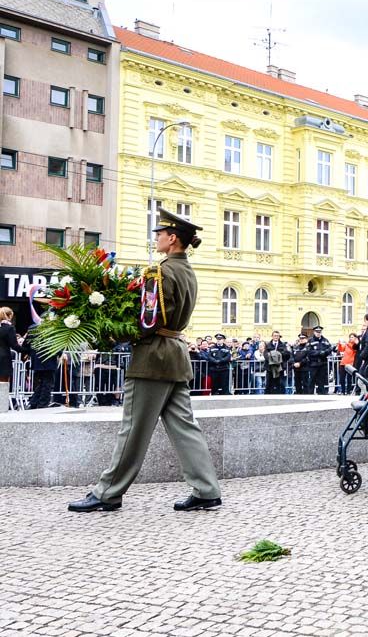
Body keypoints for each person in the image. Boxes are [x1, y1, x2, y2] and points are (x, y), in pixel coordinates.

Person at [68, 208, 222, 512]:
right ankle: (206, 490)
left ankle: (107, 492)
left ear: (173, 238)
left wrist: (111, 332)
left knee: (133, 429)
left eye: (160, 234)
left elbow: (148, 320)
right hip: (176, 354)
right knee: (185, 427)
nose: (157, 238)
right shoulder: (187, 271)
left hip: (152, 357)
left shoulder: (160, 272)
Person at [23, 323, 59, 409]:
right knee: (47, 383)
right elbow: (56, 343)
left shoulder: (32, 327)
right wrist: (60, 353)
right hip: (49, 359)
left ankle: (34, 402)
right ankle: (42, 403)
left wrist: (29, 353)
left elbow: (26, 344)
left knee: (40, 383)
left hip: (36, 359)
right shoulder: (53, 327)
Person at [0, 307, 26, 411]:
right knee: (4, 382)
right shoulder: (9, 328)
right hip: (3, 358)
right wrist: (27, 350)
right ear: (10, 316)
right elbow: (14, 345)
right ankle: (2, 405)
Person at [306, 326, 332, 394]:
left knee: (322, 380)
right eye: (317, 332)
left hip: (322, 364)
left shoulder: (325, 340)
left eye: (319, 332)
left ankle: (322, 394)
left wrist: (325, 352)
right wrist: (319, 353)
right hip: (313, 364)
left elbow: (330, 349)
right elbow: (309, 351)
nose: (318, 333)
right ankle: (310, 394)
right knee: (312, 380)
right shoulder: (310, 340)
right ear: (314, 332)